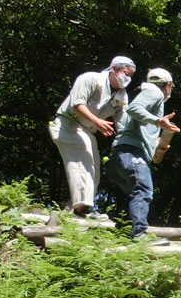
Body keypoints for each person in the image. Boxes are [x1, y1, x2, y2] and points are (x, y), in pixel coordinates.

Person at [49, 56, 134, 219]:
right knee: (83, 163)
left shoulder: (121, 96)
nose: (127, 78)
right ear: (114, 69)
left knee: (94, 167)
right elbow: (77, 105)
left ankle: (82, 207)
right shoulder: (90, 79)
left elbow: (123, 125)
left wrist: (136, 142)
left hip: (87, 131)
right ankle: (82, 208)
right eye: (125, 73)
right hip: (67, 124)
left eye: (130, 75)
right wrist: (97, 122)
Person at [106, 67, 181, 242]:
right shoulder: (155, 93)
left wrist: (158, 146)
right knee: (143, 189)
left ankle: (124, 235)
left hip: (122, 154)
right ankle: (139, 234)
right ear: (167, 85)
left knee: (134, 194)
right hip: (130, 151)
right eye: (171, 86)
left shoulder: (150, 96)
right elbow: (133, 108)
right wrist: (157, 121)